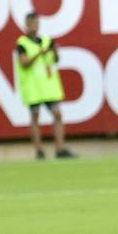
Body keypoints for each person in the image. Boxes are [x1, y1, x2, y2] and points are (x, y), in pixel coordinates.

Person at [14, 11, 74, 160]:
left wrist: (54, 51)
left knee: (58, 114)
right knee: (35, 117)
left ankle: (60, 149)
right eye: (32, 24)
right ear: (26, 25)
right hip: (33, 87)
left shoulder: (47, 40)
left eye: (36, 23)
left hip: (48, 86)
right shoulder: (22, 44)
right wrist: (39, 53)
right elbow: (24, 63)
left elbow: (56, 59)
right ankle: (39, 151)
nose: (34, 26)